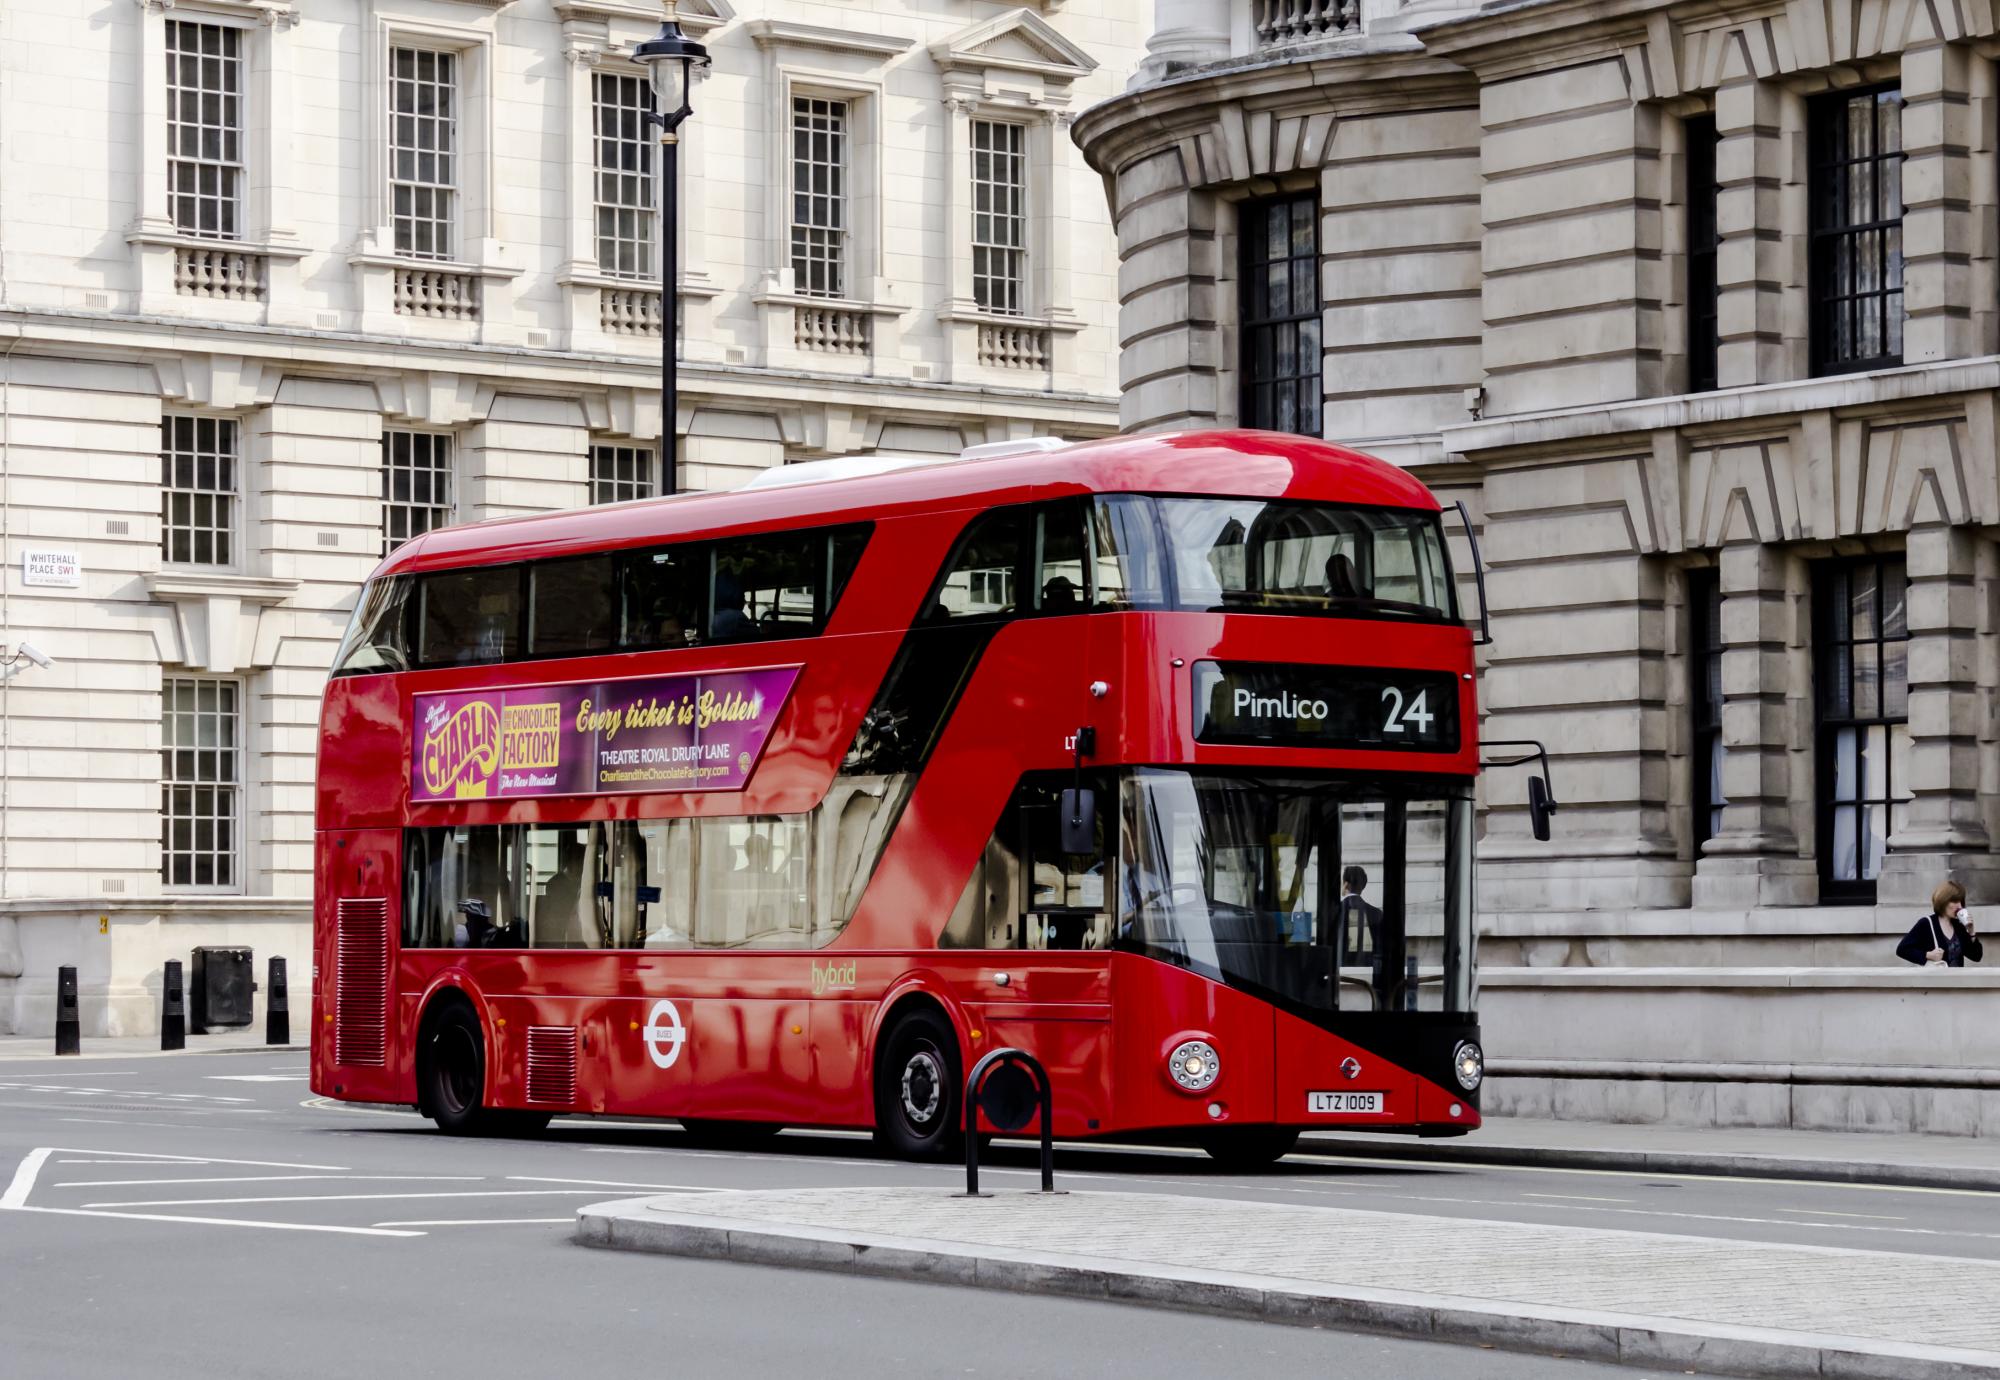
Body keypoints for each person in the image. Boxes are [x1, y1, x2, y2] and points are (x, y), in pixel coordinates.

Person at [1896, 880, 1984, 967]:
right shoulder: (1926, 923)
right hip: (1937, 980)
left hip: (1957, 980)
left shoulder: (1958, 926)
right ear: (1944, 901)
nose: (1960, 906)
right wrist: (1928, 955)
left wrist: (1971, 932)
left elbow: (1976, 956)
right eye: (1955, 901)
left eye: (1961, 902)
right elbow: (1902, 949)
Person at [1337, 865, 1382, 1000]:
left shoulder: (1335, 912)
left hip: (1341, 976)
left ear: (1345, 884)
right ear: (1363, 886)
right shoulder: (1376, 913)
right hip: (1369, 979)